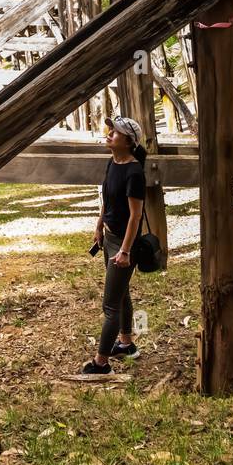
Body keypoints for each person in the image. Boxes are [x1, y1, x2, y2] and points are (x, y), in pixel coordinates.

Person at [79, 115, 147, 378]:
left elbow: (135, 216)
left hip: (123, 243)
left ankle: (101, 363)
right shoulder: (113, 163)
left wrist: (126, 251)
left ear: (128, 142)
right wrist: (99, 226)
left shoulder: (134, 172)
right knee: (122, 294)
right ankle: (126, 344)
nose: (109, 134)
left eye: (115, 132)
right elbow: (107, 198)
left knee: (110, 307)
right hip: (109, 237)